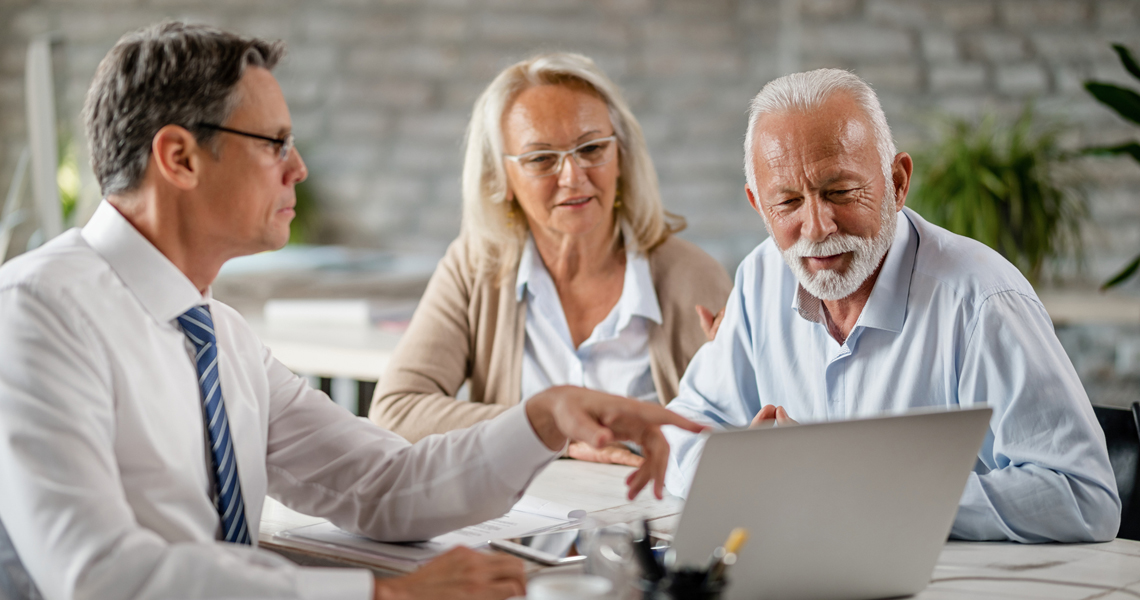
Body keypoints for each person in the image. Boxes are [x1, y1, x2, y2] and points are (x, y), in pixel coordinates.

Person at [0, 23, 707, 600]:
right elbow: (96, 576)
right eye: (274, 142)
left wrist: (547, 418)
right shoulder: (36, 310)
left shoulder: (220, 339)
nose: (299, 168)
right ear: (179, 157)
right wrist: (381, 596)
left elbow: (386, 484)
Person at [663, 68, 1121, 543]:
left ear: (898, 182)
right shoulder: (761, 276)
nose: (816, 227)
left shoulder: (982, 299)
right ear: (758, 206)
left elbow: (1084, 496)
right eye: (788, 202)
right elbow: (683, 429)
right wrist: (743, 472)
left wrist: (859, 488)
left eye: (839, 192)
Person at [368, 53, 732, 467]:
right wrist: (553, 428)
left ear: (622, 159)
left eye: (592, 149)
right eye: (541, 158)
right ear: (500, 178)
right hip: (519, 524)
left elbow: (732, 431)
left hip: (648, 520)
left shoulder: (693, 276)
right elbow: (396, 411)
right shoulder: (475, 266)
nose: (573, 177)